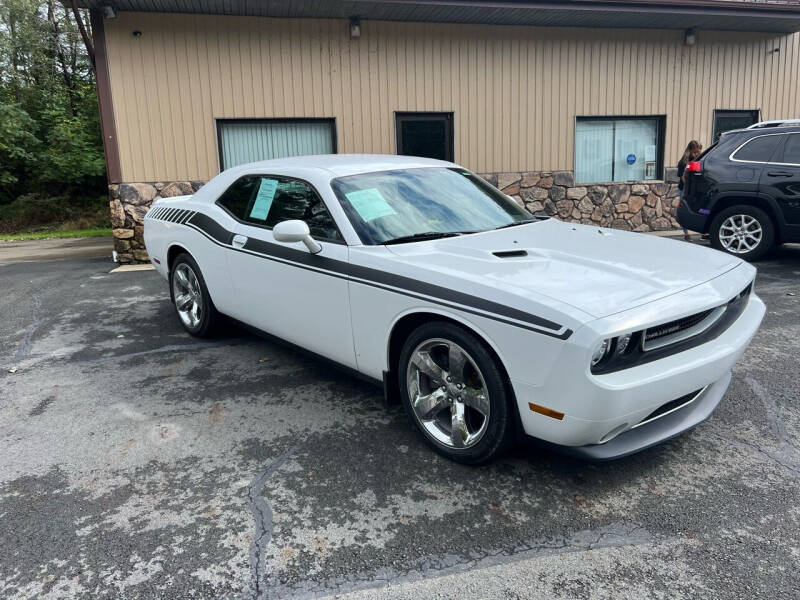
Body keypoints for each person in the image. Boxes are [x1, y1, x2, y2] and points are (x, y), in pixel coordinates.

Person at [678, 140, 703, 242]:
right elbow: (681, 177)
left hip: (696, 189)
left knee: (701, 209)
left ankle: (704, 232)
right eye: (695, 152)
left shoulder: (700, 160)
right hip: (684, 189)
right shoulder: (683, 162)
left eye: (699, 152)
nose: (697, 154)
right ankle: (686, 234)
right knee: (685, 210)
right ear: (690, 150)